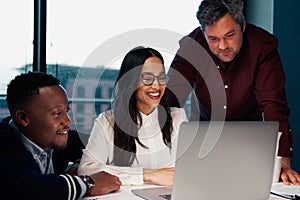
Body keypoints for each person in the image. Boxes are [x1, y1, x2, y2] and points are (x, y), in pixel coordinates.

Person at [164, 0, 300, 185]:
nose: (223, 46)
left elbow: (273, 105)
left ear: (242, 25)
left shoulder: (262, 46)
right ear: (203, 34)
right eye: (213, 39)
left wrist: (282, 161)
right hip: (205, 142)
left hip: (251, 144)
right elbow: (170, 98)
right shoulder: (192, 47)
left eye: (229, 35)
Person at [0, 72, 121, 200]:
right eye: (57, 113)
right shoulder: (4, 144)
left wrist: (78, 166)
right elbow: (22, 188)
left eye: (66, 111)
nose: (67, 121)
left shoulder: (51, 137)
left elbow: (99, 145)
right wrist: (87, 183)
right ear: (23, 118)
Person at [78, 47, 188, 186]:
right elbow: (87, 170)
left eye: (161, 77)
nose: (157, 85)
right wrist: (146, 175)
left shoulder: (178, 118)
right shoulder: (107, 122)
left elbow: (189, 169)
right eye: (148, 78)